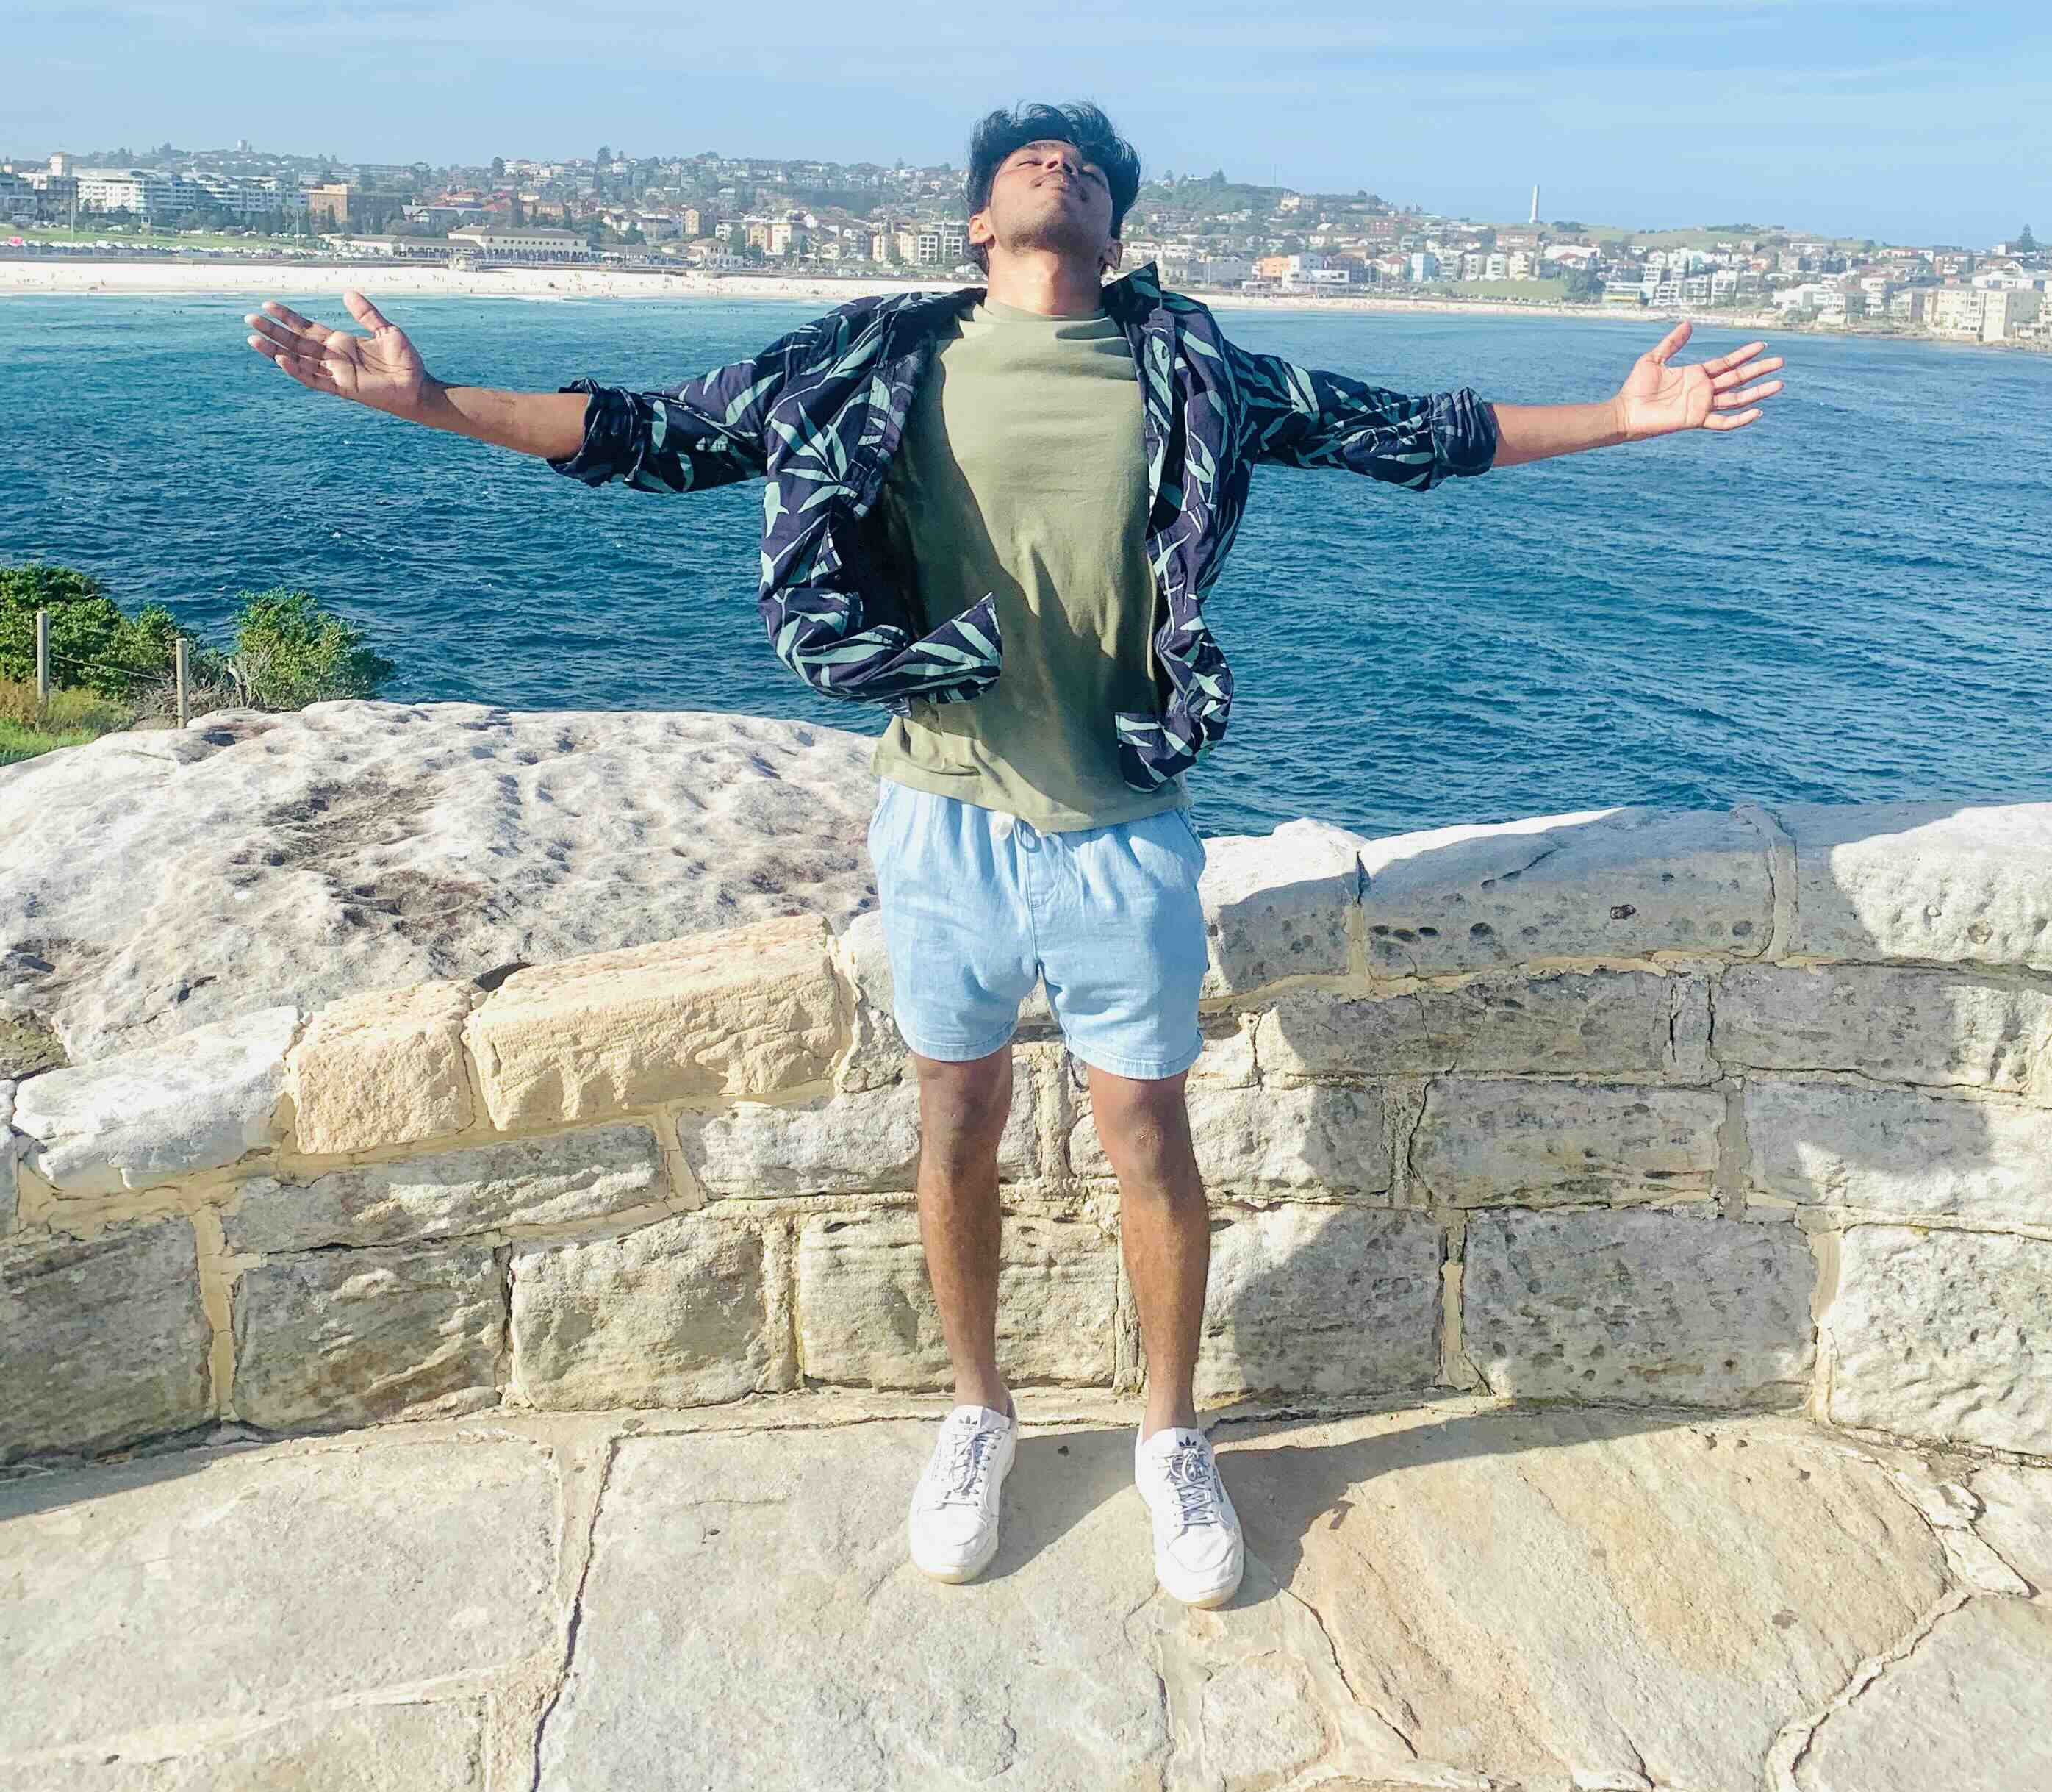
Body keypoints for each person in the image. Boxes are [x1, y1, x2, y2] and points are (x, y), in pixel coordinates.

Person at [244, 104, 1783, 1607]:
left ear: (1115, 227)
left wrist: (1619, 418)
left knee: (1149, 1140)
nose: (1061, 169)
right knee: (955, 1124)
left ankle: (1170, 1438)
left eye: (1089, 168)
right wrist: (432, 405)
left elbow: (1413, 434)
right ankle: (977, 1414)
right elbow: (654, 434)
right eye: (1030, 161)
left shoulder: (1193, 369)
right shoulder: (870, 359)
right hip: (941, 816)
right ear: (979, 222)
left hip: (1123, 823)